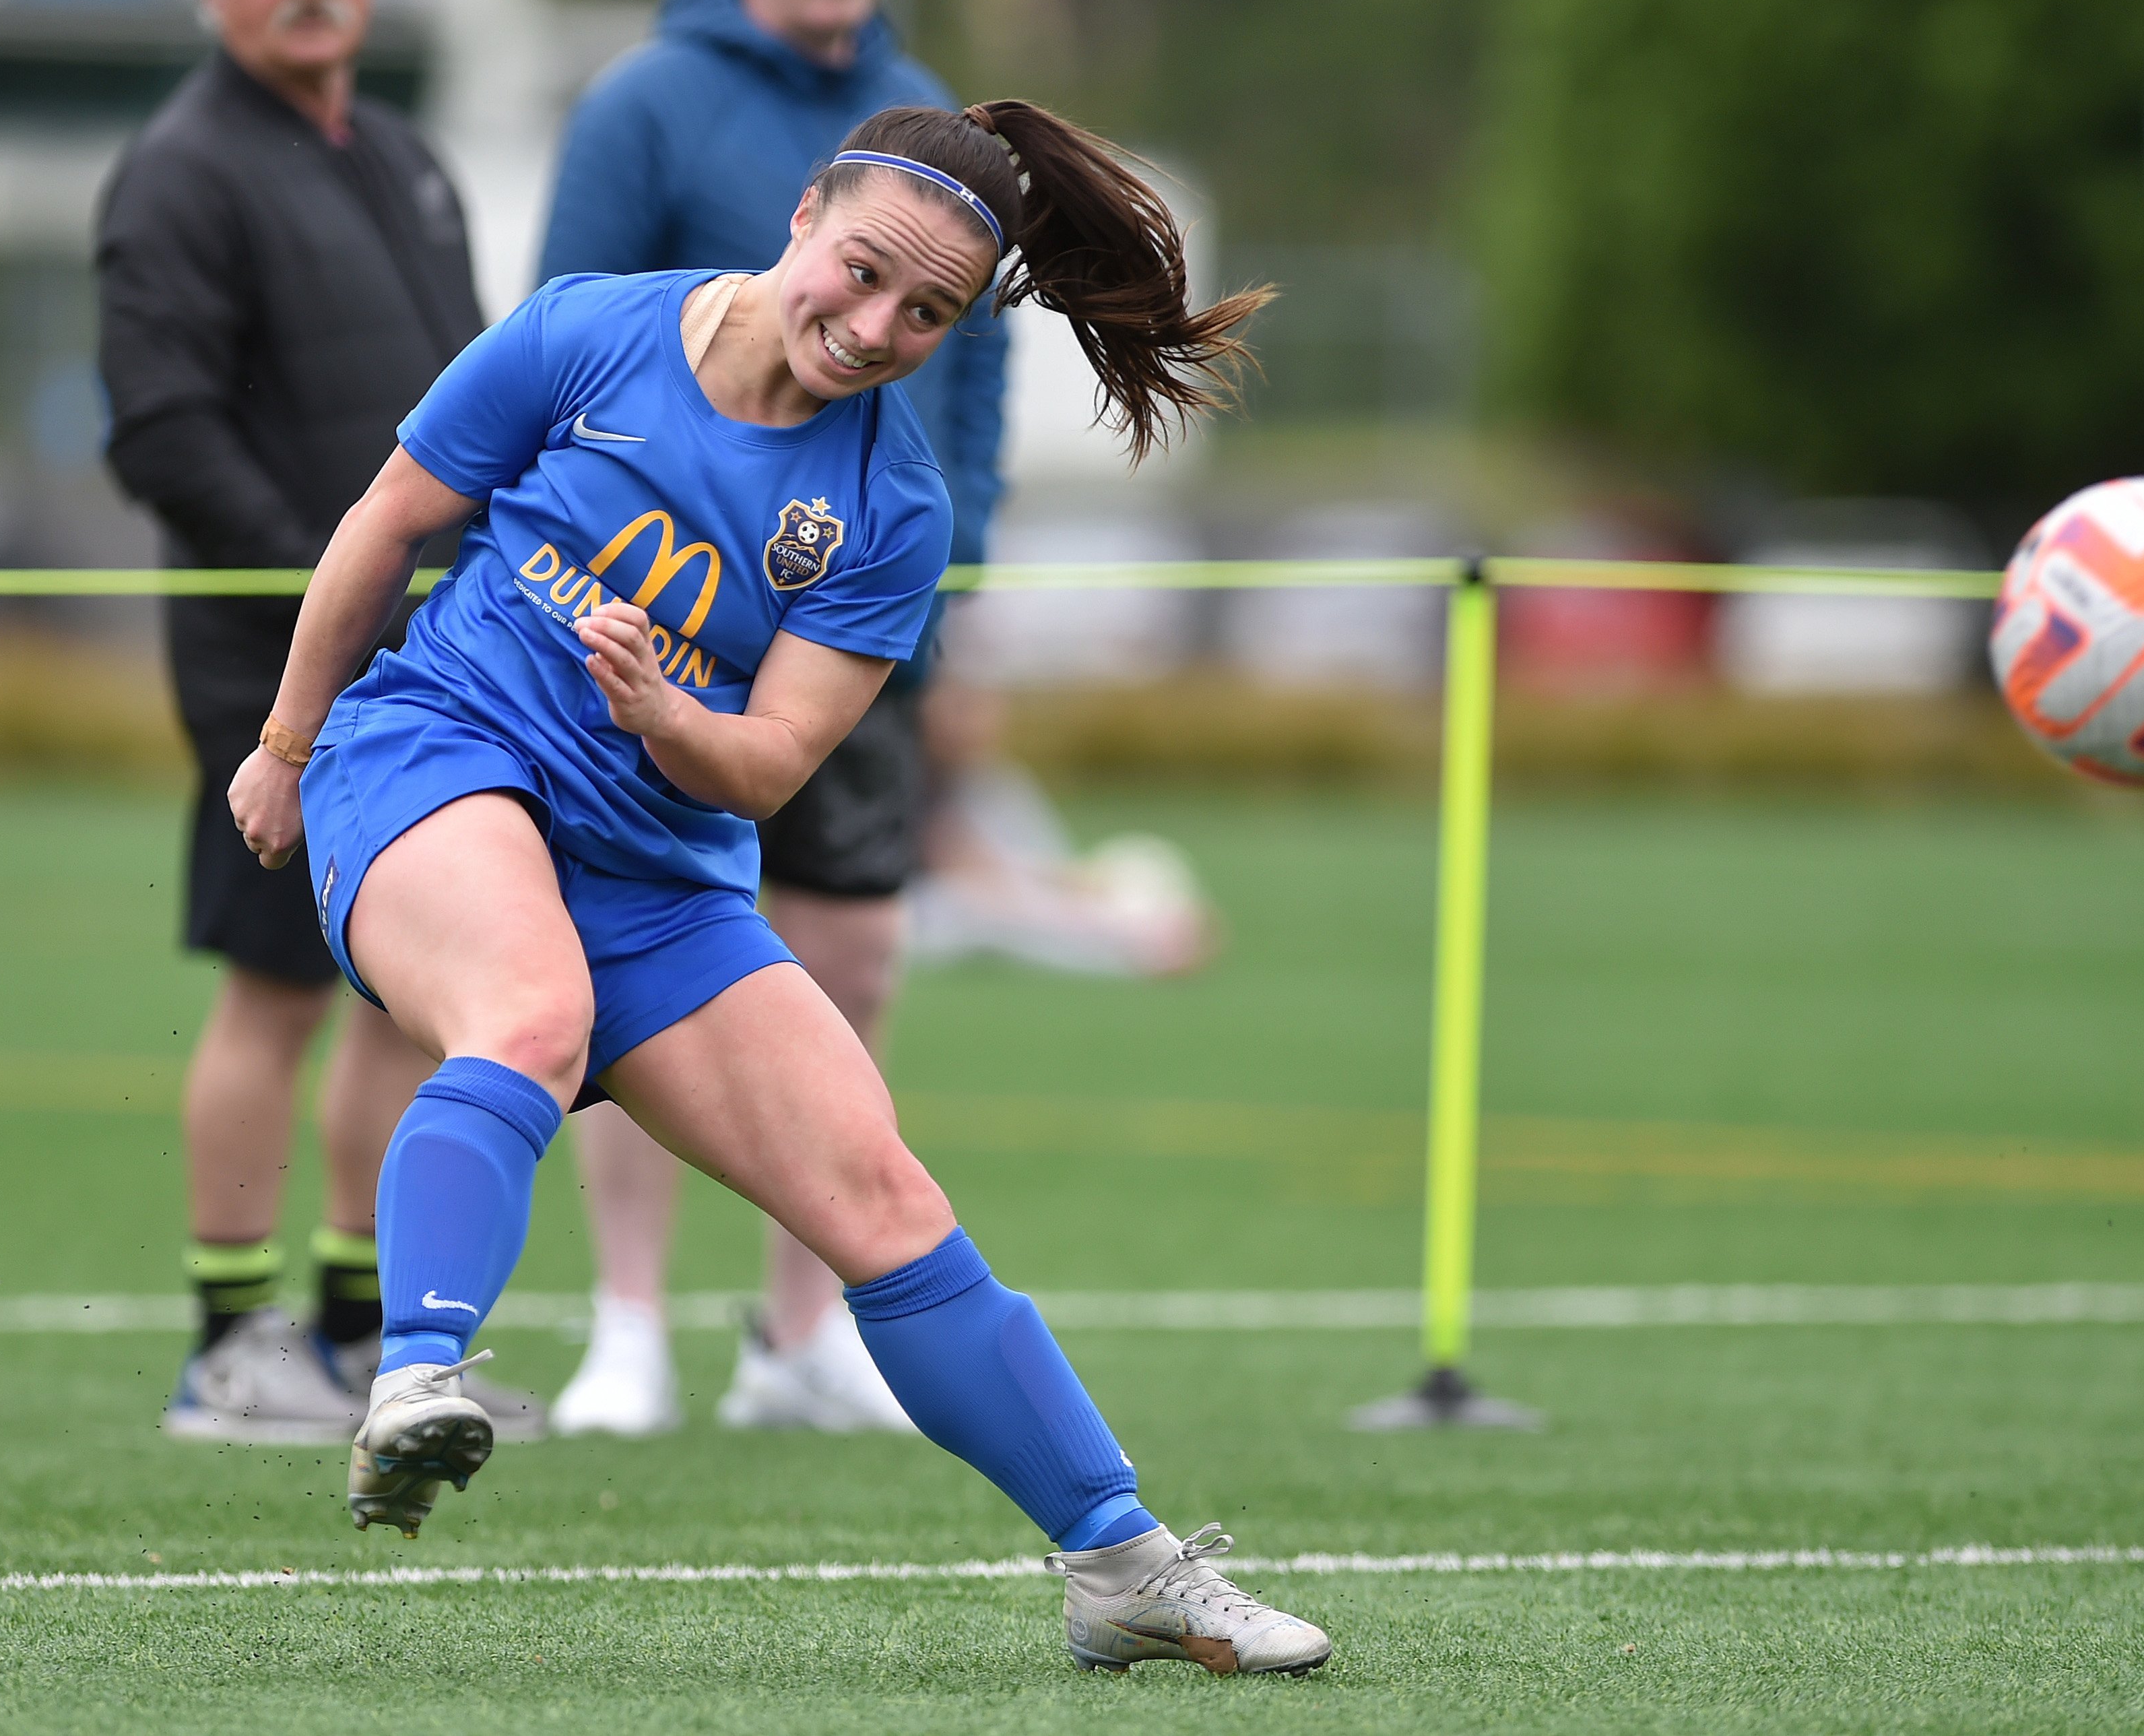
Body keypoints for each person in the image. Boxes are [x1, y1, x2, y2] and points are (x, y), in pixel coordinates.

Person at [226, 101, 1325, 1675]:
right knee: (526, 1011)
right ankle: (413, 1382)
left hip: (657, 861)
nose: (874, 327)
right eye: (863, 270)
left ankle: (1119, 1560)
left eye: (927, 313)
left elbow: (765, 769)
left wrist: (671, 715)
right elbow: (387, 521)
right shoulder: (589, 334)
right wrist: (284, 741)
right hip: (432, 754)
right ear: (806, 214)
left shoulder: (890, 508)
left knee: (884, 1202)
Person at [534, 0, 1007, 1438]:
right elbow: (571, 328)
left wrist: (957, 587)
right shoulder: (645, 101)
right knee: (641, 962)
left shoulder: (929, 112)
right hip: (661, 616)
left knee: (852, 955)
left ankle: (801, 1337)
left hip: (855, 613)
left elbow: (978, 392)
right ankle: (625, 1331)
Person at [96, 0, 540, 1440]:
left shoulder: (400, 155)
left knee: (383, 991)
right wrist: (326, 590)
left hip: (432, 658)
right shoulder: (181, 170)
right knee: (275, 989)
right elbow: (161, 433)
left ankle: (357, 1331)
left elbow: (472, 402)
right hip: (266, 664)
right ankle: (230, 1341)